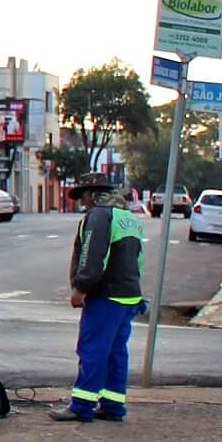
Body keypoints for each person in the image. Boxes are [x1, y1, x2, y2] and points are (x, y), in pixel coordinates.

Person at [56, 170, 144, 422]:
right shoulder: (128, 217)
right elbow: (138, 259)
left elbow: (93, 256)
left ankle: (81, 405)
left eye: (83, 196)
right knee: (116, 352)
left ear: (92, 195)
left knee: (92, 349)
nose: (82, 202)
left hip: (105, 296)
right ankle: (114, 405)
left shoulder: (98, 217)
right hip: (127, 296)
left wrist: (81, 288)